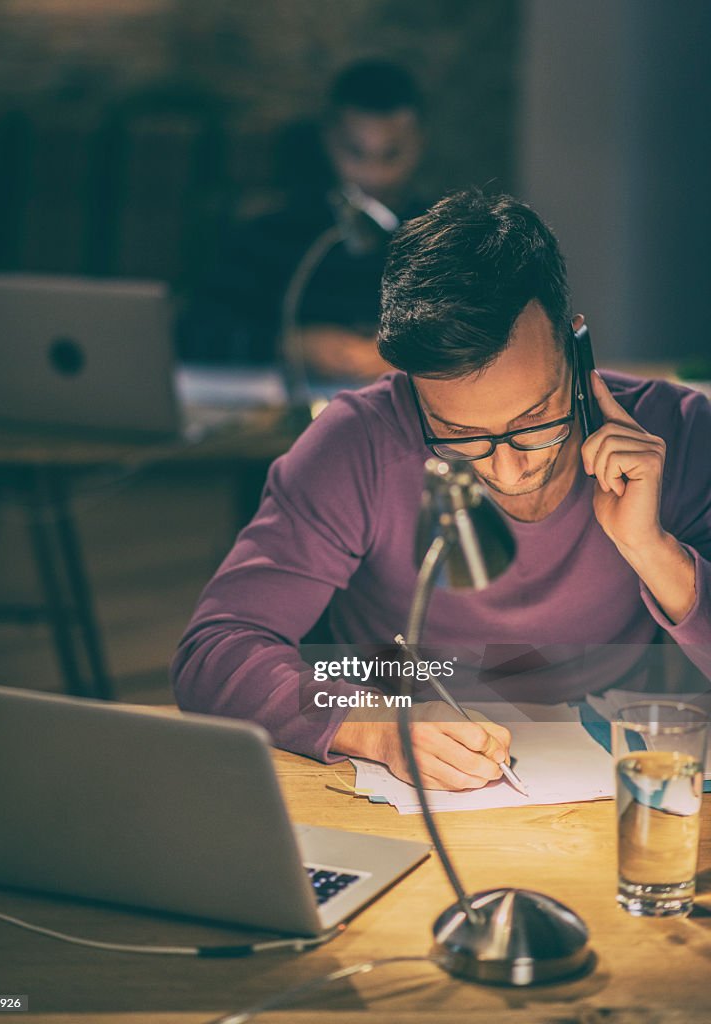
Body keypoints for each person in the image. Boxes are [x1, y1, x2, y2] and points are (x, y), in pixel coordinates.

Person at [172, 189, 711, 791]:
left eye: (536, 421)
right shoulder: (357, 445)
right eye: (458, 436)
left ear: (575, 344)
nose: (506, 473)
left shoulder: (679, 434)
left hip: (622, 782)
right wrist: (375, 726)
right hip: (408, 792)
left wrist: (653, 551)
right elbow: (215, 653)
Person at [177, 60, 425, 377]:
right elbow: (192, 333)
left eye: (392, 155)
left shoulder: (446, 242)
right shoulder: (271, 235)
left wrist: (415, 356)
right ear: (330, 140)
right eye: (355, 153)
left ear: (419, 142)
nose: (374, 176)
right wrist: (289, 345)